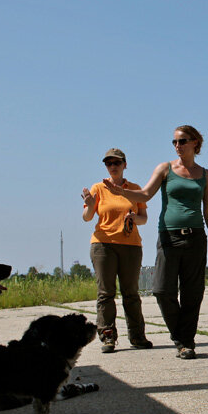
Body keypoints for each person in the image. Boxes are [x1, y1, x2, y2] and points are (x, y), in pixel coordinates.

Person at [106, 126, 208, 359]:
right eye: (175, 142)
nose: (178, 145)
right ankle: (180, 335)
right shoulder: (165, 169)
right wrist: (121, 193)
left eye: (182, 141)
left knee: (192, 293)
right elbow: (146, 194)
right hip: (169, 237)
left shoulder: (206, 175)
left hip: (196, 237)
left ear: (195, 143)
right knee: (162, 290)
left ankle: (185, 342)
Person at [81, 148, 151, 353]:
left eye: (117, 163)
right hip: (103, 245)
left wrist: (133, 218)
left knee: (131, 293)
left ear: (125, 165)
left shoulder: (135, 189)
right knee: (106, 293)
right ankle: (107, 336)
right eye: (109, 163)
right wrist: (89, 205)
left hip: (131, 246)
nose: (113, 166)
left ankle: (137, 337)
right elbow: (87, 217)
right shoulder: (98, 188)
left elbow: (144, 219)